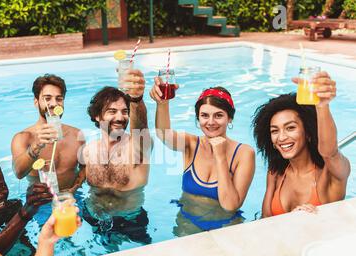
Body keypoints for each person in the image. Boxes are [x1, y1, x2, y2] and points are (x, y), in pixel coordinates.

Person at [150, 78, 255, 234]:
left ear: (230, 118)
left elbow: (230, 205)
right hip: (187, 224)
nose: (211, 122)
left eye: (218, 115)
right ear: (198, 118)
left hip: (226, 228)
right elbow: (163, 134)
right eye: (204, 115)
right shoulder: (191, 144)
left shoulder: (244, 153)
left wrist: (220, 156)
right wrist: (162, 104)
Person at [252, 71, 350, 217]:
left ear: (308, 133)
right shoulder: (276, 172)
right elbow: (264, 221)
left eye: (290, 128)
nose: (282, 137)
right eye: (274, 131)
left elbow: (329, 153)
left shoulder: (330, 173)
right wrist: (290, 219)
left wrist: (322, 105)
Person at [82, 69, 152, 244]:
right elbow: (77, 183)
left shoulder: (137, 148)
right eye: (112, 111)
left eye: (124, 111)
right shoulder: (88, 151)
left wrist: (136, 99)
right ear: (97, 116)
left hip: (130, 221)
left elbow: (140, 129)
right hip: (94, 216)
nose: (120, 117)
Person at [11, 74, 85, 194]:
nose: (54, 104)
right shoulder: (23, 138)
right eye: (47, 98)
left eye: (59, 99)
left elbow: (84, 167)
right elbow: (18, 173)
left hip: (72, 198)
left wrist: (77, 185)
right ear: (36, 102)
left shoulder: (77, 135)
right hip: (39, 203)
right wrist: (35, 146)